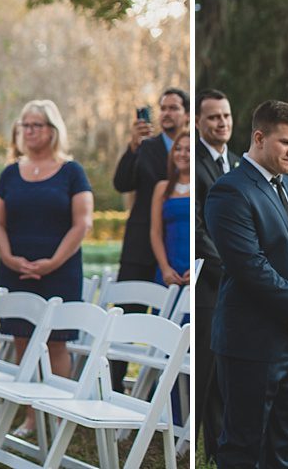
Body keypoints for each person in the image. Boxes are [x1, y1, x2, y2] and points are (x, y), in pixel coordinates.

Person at [204, 100, 288, 469]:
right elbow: (248, 265)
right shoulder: (231, 192)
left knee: (281, 444)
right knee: (243, 446)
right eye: (287, 142)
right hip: (251, 341)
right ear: (259, 137)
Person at [0, 99, 94, 436]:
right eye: (25, 125)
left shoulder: (71, 172)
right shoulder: (10, 172)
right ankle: (32, 417)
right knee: (22, 340)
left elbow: (82, 223)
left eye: (36, 125)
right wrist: (7, 257)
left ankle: (61, 417)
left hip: (59, 271)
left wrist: (52, 263)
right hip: (16, 269)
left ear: (52, 129)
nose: (29, 131)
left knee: (56, 343)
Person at [111, 86, 189, 392]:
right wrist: (132, 146)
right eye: (163, 108)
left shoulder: (190, 148)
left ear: (185, 114)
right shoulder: (146, 145)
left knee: (169, 325)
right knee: (126, 318)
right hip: (140, 247)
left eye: (174, 107)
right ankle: (115, 387)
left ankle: (163, 392)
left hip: (177, 251)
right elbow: (121, 183)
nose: (167, 113)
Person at [193, 88, 238, 458]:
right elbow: (198, 230)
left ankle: (216, 448)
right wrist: (231, 268)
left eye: (225, 115)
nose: (221, 122)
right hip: (209, 282)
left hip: (237, 284)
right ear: (198, 122)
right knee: (204, 367)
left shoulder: (237, 163)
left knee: (225, 368)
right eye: (213, 117)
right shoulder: (195, 165)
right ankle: (191, 445)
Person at [150, 129, 191, 287]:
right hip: (168, 269)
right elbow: (156, 232)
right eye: (178, 148)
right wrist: (165, 268)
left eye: (188, 150)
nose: (182, 154)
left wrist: (196, 269)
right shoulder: (162, 188)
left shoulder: (202, 187)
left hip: (194, 271)